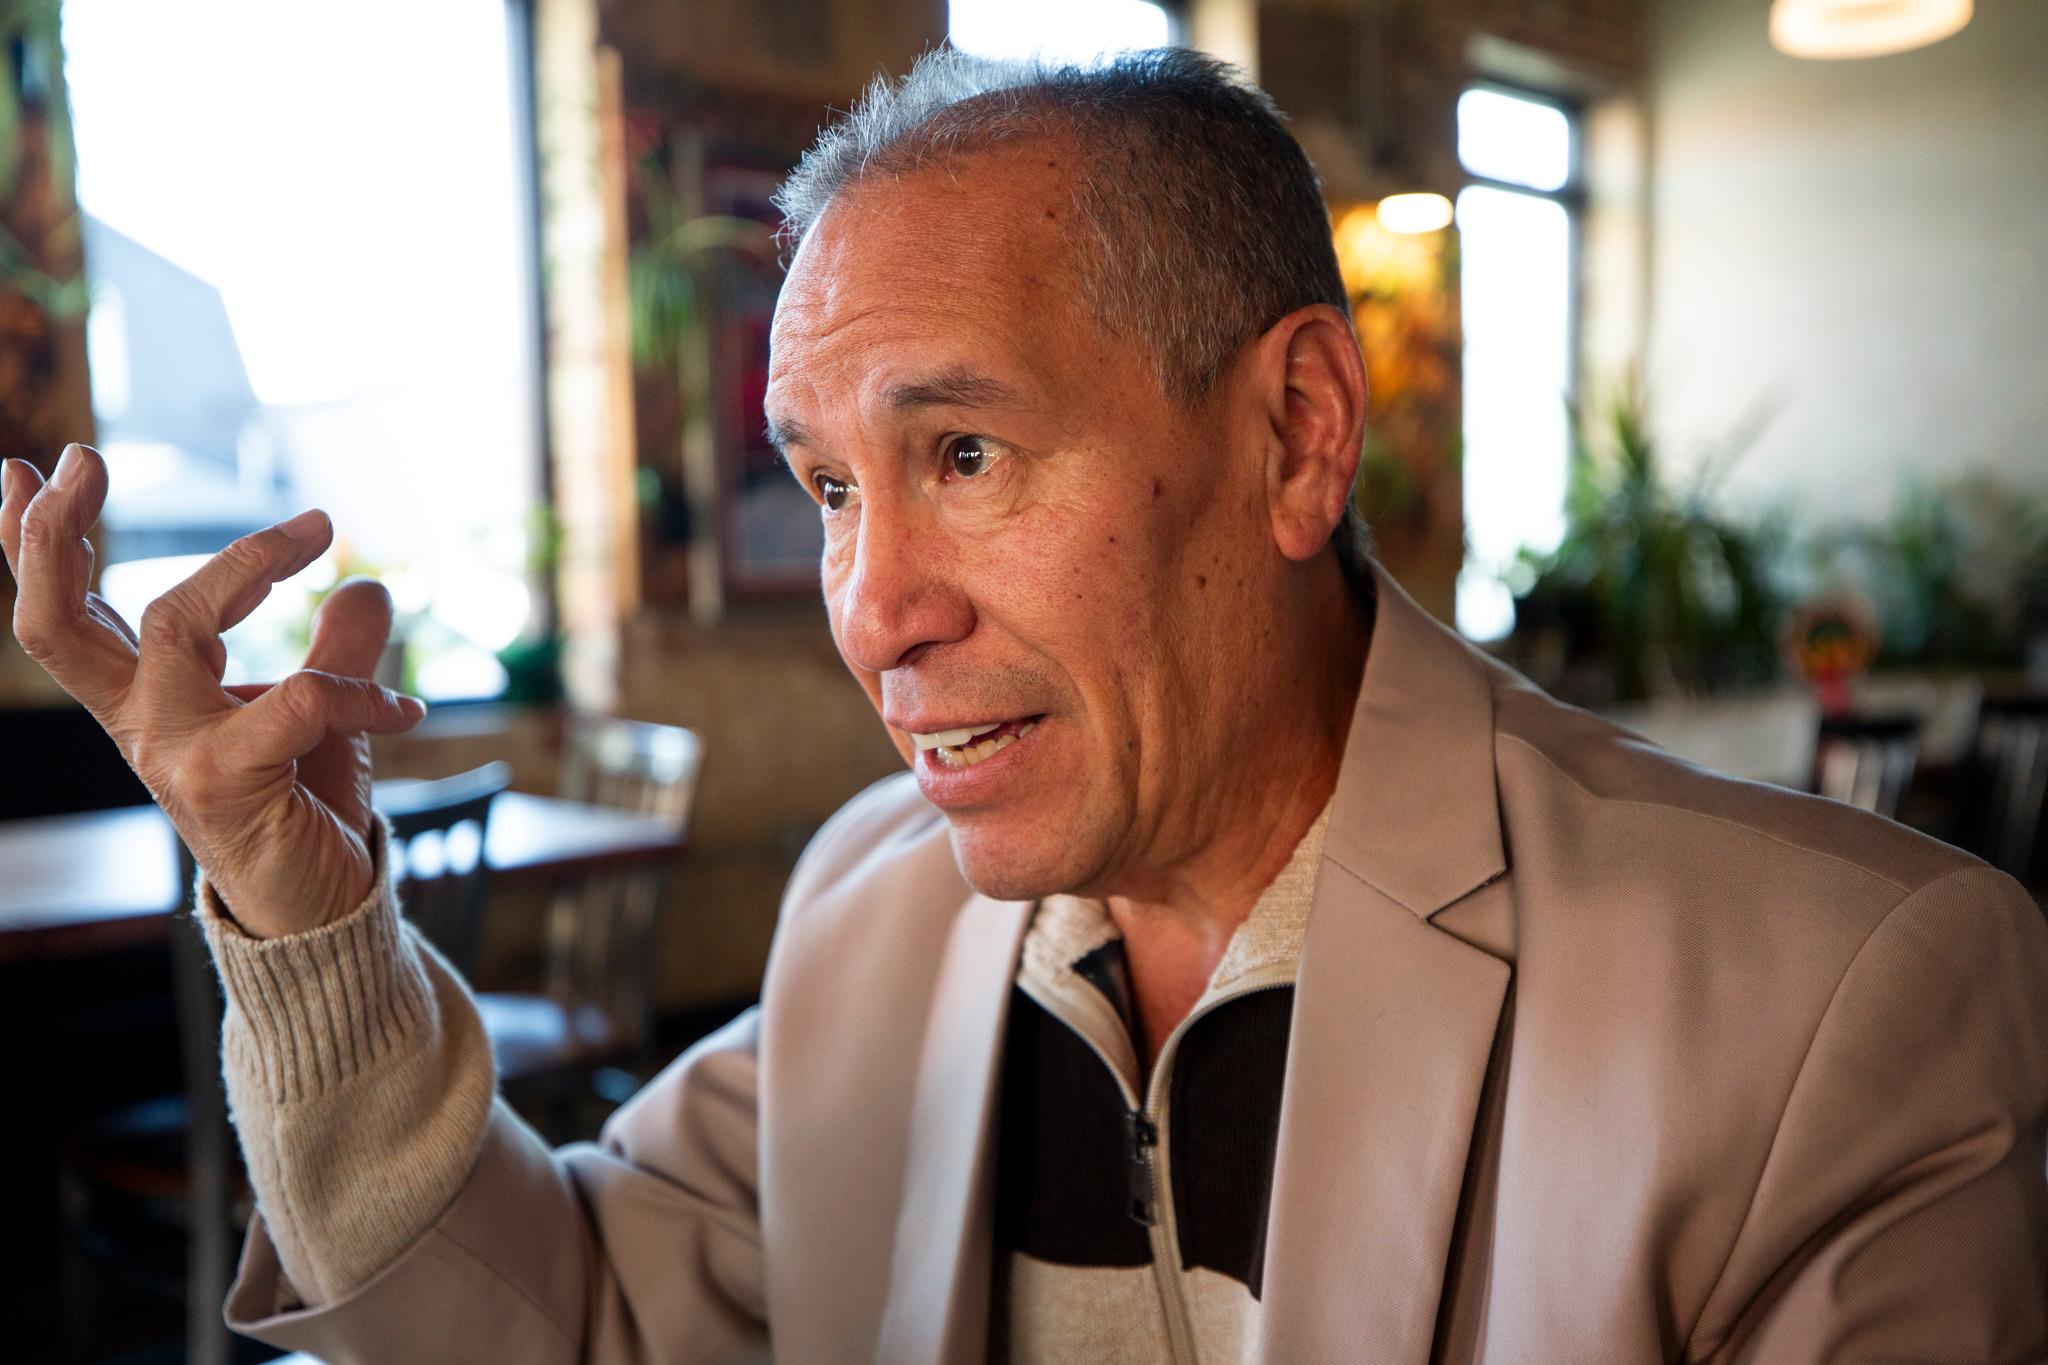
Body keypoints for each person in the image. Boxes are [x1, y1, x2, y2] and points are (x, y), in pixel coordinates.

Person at [4, 47, 2044, 1365]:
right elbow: (575, 1318)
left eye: (963, 451)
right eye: (827, 484)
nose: (869, 604)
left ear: (1295, 434)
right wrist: (306, 914)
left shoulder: (1833, 1004)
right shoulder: (869, 908)